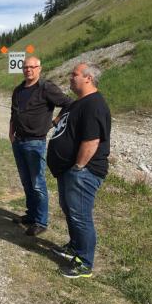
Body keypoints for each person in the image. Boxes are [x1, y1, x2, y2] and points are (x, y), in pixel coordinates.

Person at [47, 62, 111, 278]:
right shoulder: (78, 103)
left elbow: (92, 141)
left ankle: (85, 262)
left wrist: (78, 167)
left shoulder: (94, 104)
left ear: (88, 78)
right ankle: (74, 247)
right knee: (70, 211)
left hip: (83, 172)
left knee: (80, 215)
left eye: (74, 74)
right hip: (68, 171)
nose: (70, 77)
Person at [9, 56, 72, 236]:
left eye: (32, 67)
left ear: (39, 69)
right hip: (18, 141)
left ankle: (41, 221)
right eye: (25, 67)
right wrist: (10, 132)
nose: (28, 70)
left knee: (37, 183)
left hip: (35, 142)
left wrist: (55, 121)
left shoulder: (46, 88)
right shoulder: (19, 90)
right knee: (26, 181)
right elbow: (14, 113)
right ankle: (31, 215)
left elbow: (68, 103)